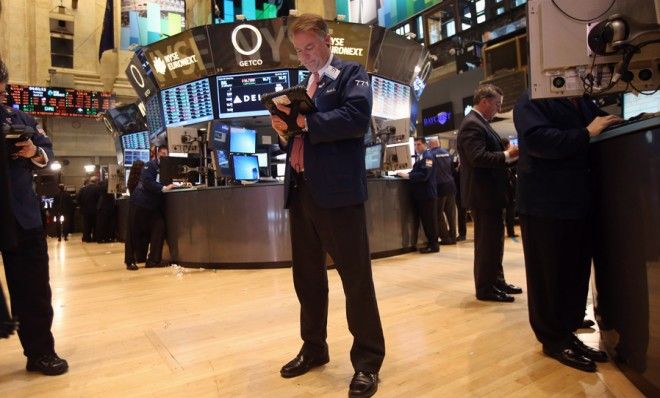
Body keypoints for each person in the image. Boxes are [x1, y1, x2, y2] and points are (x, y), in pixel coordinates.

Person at [269, 14, 384, 398]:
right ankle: (314, 348)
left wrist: (302, 122)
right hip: (302, 191)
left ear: (327, 40)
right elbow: (301, 137)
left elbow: (355, 119)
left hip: (338, 196)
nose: (305, 56)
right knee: (308, 280)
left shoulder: (353, 73)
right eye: (299, 50)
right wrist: (285, 130)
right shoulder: (305, 86)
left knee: (355, 279)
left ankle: (367, 362)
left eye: (310, 47)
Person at [513, 90, 619, 372]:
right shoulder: (531, 99)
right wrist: (585, 132)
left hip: (577, 199)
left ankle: (568, 326)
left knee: (575, 268)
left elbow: (601, 123)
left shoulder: (581, 98)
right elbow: (537, 141)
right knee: (548, 275)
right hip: (543, 202)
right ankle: (553, 339)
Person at [0, 58, 68, 375]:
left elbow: (47, 151)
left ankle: (40, 352)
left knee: (34, 289)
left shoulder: (20, 118)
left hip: (22, 215)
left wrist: (33, 152)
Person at [456, 84, 523, 303]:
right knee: (487, 245)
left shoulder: (481, 124)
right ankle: (485, 289)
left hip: (491, 195)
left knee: (495, 243)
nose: (498, 108)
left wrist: (508, 157)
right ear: (484, 101)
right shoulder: (472, 125)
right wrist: (506, 154)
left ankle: (497, 281)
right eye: (497, 104)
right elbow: (478, 158)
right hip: (483, 196)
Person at [131, 146, 175, 268]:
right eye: (162, 154)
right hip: (143, 202)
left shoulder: (164, 167)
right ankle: (151, 260)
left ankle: (144, 258)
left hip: (148, 204)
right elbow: (147, 181)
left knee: (150, 230)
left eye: (167, 154)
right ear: (157, 154)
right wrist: (164, 188)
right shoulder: (150, 165)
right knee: (157, 228)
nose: (164, 156)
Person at [398, 138, 439, 253]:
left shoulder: (428, 157)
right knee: (426, 221)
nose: (417, 147)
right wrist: (405, 174)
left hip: (427, 195)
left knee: (430, 221)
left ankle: (434, 245)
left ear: (425, 145)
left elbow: (425, 175)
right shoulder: (421, 157)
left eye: (419, 144)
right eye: (415, 144)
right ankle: (431, 243)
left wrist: (408, 176)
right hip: (422, 196)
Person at [428, 137, 457, 245]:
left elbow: (428, 169)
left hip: (439, 187)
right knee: (451, 214)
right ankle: (453, 237)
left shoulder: (430, 155)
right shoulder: (447, 153)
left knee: (438, 214)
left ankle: (445, 238)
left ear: (430, 144)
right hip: (451, 186)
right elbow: (453, 169)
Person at [124, 160, 146, 270]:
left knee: (132, 235)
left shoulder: (131, 180)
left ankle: (131, 260)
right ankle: (131, 260)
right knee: (136, 235)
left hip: (133, 208)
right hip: (139, 208)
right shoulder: (141, 181)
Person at [500, 137, 519, 238]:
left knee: (510, 212)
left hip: (510, 189)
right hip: (504, 190)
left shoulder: (509, 158)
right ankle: (506, 232)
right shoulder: (502, 158)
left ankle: (510, 232)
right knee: (505, 212)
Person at [76, 176, 101, 242]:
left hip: (85, 211)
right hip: (95, 210)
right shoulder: (98, 188)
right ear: (96, 181)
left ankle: (86, 238)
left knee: (86, 225)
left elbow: (78, 199)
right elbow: (100, 199)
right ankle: (95, 238)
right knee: (95, 225)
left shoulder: (83, 189)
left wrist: (82, 206)